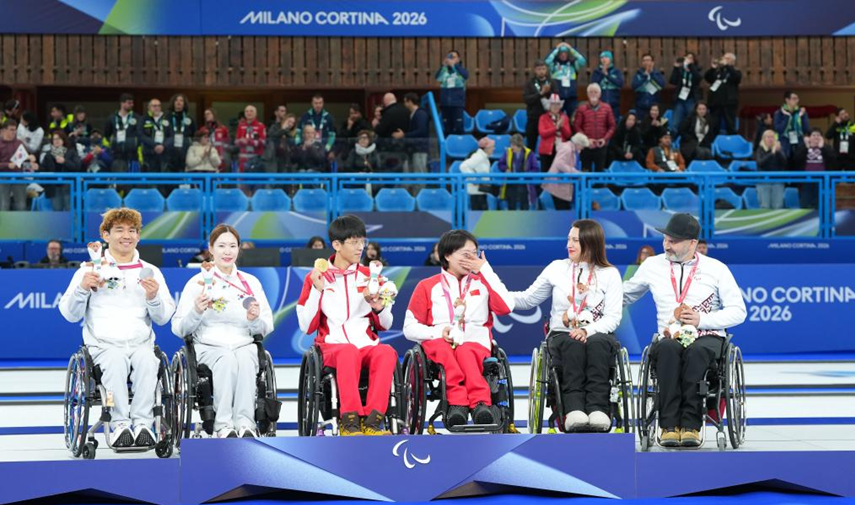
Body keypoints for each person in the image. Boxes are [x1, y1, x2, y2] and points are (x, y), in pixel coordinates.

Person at [623, 213, 746, 447]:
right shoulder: (652, 265)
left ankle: (691, 424)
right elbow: (625, 294)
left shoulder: (716, 269)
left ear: (692, 243)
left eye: (673, 241)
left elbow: (739, 311)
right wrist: (593, 297)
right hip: (670, 336)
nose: (666, 245)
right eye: (666, 239)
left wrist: (702, 319)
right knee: (668, 349)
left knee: (697, 353)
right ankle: (668, 426)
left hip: (707, 336)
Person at [59, 209, 175, 447]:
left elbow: (164, 318)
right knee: (115, 362)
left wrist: (153, 297)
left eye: (132, 230)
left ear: (139, 236)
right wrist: (82, 289)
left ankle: (143, 423)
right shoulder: (89, 270)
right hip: (104, 346)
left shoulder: (151, 271)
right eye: (120, 230)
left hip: (140, 343)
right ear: (105, 234)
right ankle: (119, 424)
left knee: (147, 362)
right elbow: (69, 314)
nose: (127, 236)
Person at [511, 220, 622, 431]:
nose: (568, 245)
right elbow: (527, 299)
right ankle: (573, 411)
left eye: (575, 240)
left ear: (591, 243)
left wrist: (587, 330)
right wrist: (492, 289)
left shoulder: (610, 274)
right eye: (569, 239)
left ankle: (598, 410)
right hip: (562, 334)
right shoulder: (556, 268)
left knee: (598, 344)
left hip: (597, 332)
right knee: (572, 344)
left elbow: (613, 317)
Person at [296, 215, 398, 436]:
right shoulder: (316, 277)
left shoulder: (370, 277)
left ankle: (373, 421)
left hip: (366, 344)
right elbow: (306, 325)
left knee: (387, 352)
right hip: (333, 347)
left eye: (362, 241)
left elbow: (386, 324)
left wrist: (379, 307)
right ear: (336, 245)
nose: (360, 247)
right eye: (354, 242)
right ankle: (349, 421)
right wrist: (317, 289)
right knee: (348, 352)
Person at [403, 229, 515, 427]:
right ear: (447, 255)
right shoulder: (426, 286)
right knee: (444, 349)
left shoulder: (483, 283)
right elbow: (409, 328)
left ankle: (480, 403)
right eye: (466, 254)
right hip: (439, 342)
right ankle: (457, 403)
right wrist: (438, 332)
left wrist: (485, 269)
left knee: (466, 350)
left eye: (475, 253)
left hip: (475, 342)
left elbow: (506, 307)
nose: (472, 259)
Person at [172, 224, 274, 438]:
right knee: (226, 359)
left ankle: (246, 423)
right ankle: (223, 424)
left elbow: (266, 326)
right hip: (209, 346)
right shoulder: (197, 283)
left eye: (232, 246)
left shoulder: (251, 283)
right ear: (211, 248)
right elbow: (179, 327)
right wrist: (196, 311)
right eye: (221, 246)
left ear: (238, 249)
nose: (227, 251)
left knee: (246, 359)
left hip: (244, 344)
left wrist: (254, 321)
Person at [573, 83, 615, 172]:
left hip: (601, 146)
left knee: (599, 172)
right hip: (586, 146)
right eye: (591, 92)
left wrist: (605, 139)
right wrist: (586, 140)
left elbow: (612, 126)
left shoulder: (607, 108)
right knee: (585, 172)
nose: (593, 94)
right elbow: (576, 126)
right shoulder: (581, 108)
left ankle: (599, 186)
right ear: (587, 94)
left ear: (600, 94)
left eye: (595, 92)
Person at [542, 133, 589, 210]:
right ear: (578, 143)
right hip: (557, 184)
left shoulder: (570, 148)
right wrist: (576, 172)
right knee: (563, 210)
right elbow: (559, 163)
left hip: (561, 184)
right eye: (582, 146)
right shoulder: (567, 149)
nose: (582, 149)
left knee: (564, 209)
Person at [793, 128, 836, 208]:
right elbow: (796, 159)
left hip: (822, 180)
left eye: (818, 135)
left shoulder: (827, 147)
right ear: (809, 137)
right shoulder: (803, 147)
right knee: (805, 204)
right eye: (814, 135)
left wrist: (822, 148)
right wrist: (806, 147)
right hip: (806, 180)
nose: (816, 137)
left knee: (820, 205)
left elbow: (833, 160)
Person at [0, 120, 38, 211]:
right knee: (3, 205)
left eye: (15, 130)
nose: (14, 132)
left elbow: (24, 160)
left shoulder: (19, 143)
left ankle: (20, 225)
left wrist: (31, 162)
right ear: (4, 130)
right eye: (11, 130)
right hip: (2, 177)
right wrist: (7, 165)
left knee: (21, 205)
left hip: (19, 176)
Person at [40, 130, 81, 211]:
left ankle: (73, 224)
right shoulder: (48, 155)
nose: (56, 141)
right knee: (57, 211)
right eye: (54, 139)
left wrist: (65, 161)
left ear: (63, 140)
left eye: (58, 139)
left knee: (70, 210)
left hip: (68, 186)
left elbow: (77, 166)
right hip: (54, 187)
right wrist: (36, 167)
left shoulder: (71, 152)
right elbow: (43, 169)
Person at [522, 60, 559, 150]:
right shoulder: (529, 83)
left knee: (549, 145)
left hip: (548, 118)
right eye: (539, 69)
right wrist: (540, 93)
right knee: (530, 144)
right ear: (535, 70)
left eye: (543, 69)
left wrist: (547, 92)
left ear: (546, 70)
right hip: (533, 118)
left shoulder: (551, 82)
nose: (541, 71)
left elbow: (556, 98)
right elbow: (526, 99)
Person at [545, 42, 587, 120]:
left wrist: (571, 49)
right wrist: (556, 49)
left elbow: (582, 60)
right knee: (556, 118)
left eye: (565, 53)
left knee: (573, 118)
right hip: (558, 98)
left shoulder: (573, 65)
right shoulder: (554, 65)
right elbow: (547, 61)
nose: (563, 55)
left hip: (571, 97)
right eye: (561, 53)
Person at [497, 133, 538, 210]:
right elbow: (500, 164)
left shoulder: (530, 153)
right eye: (511, 144)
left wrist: (527, 174)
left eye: (513, 145)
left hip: (525, 184)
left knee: (524, 206)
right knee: (511, 206)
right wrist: (505, 169)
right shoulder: (507, 152)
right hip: (511, 183)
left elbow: (535, 168)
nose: (511, 147)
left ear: (520, 145)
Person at [704, 53, 742, 135]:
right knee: (714, 125)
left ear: (733, 61)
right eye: (724, 58)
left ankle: (731, 143)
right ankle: (713, 143)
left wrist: (728, 66)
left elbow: (736, 78)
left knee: (730, 125)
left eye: (727, 58)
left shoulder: (736, 71)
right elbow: (707, 78)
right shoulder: (718, 72)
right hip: (715, 103)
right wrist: (712, 68)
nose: (724, 60)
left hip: (729, 103)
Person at [396, 92, 430, 177]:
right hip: (414, 149)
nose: (404, 104)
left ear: (410, 101)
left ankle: (420, 190)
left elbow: (422, 131)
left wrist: (404, 135)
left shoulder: (420, 113)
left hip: (420, 148)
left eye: (405, 102)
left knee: (419, 174)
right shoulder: (413, 114)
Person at [104, 94, 140, 172]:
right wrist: (112, 143)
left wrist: (133, 144)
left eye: (132, 103)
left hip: (132, 155)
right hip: (116, 155)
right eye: (129, 103)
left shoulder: (137, 118)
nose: (132, 105)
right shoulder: (112, 118)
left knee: (133, 180)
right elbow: (106, 135)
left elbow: (140, 135)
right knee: (119, 181)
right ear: (122, 103)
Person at [436, 50, 469, 135]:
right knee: (447, 128)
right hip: (445, 103)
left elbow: (465, 76)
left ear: (458, 59)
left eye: (453, 57)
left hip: (457, 103)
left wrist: (454, 66)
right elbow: (437, 78)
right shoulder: (445, 71)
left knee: (458, 127)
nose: (451, 59)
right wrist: (443, 66)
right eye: (449, 56)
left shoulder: (461, 70)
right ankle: (447, 147)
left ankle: (459, 146)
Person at [669, 53, 703, 135]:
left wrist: (691, 66)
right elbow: (672, 81)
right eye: (687, 58)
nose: (688, 59)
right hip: (680, 99)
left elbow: (698, 79)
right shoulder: (681, 70)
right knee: (675, 123)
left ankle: (690, 139)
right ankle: (673, 140)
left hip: (691, 99)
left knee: (691, 121)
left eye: (691, 58)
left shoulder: (697, 69)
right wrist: (676, 68)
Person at [538, 94, 572, 173]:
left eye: (557, 104)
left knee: (560, 175)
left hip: (561, 151)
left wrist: (562, 126)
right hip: (546, 151)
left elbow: (568, 135)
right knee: (546, 175)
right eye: (553, 104)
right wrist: (556, 128)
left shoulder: (564, 117)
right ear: (549, 105)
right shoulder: (543, 118)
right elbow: (542, 133)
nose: (555, 106)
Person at [459, 137, 495, 211]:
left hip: (481, 191)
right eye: (492, 147)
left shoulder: (484, 157)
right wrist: (474, 179)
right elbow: (463, 166)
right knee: (478, 216)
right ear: (486, 148)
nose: (493, 149)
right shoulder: (478, 157)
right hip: (477, 192)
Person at [773, 90, 810, 162]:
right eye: (794, 98)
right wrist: (787, 117)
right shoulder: (779, 113)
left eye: (797, 99)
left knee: (799, 165)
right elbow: (778, 129)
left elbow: (806, 129)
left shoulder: (801, 113)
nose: (796, 101)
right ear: (787, 100)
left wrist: (802, 117)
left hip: (799, 142)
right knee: (785, 165)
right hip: (784, 143)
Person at [755, 130, 787, 209]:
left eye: (772, 137)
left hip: (777, 181)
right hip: (763, 181)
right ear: (764, 139)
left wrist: (778, 152)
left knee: (778, 206)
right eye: (768, 137)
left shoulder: (779, 150)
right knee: (765, 206)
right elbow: (760, 163)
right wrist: (772, 154)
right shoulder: (760, 149)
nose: (770, 139)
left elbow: (785, 163)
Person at [296, 94, 336, 159]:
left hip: (323, 149)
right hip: (307, 149)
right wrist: (299, 145)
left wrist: (329, 149)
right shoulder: (305, 115)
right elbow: (298, 132)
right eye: (316, 103)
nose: (318, 105)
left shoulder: (329, 117)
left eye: (320, 103)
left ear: (323, 103)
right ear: (312, 103)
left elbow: (332, 135)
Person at [139, 98, 172, 172]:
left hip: (164, 154)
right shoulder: (143, 119)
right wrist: (154, 145)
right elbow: (141, 135)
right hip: (149, 154)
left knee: (164, 179)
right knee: (151, 180)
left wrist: (163, 146)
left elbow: (171, 135)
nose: (157, 108)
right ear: (149, 107)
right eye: (154, 106)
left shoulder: (167, 118)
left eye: (158, 106)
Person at [590, 50, 624, 122]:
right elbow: (594, 84)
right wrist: (602, 73)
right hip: (600, 103)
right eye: (602, 57)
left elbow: (620, 83)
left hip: (614, 103)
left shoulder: (616, 71)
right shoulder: (597, 71)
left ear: (610, 59)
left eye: (606, 57)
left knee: (614, 122)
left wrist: (607, 75)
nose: (604, 59)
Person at [166, 93, 195, 171]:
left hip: (185, 150)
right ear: (173, 102)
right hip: (170, 150)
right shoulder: (166, 117)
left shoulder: (189, 118)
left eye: (181, 100)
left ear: (184, 103)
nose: (178, 102)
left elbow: (193, 133)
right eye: (176, 100)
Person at [632, 54, 665, 121]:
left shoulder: (657, 74)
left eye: (648, 60)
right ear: (642, 63)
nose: (646, 62)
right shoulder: (638, 74)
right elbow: (634, 86)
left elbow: (662, 84)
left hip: (654, 107)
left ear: (653, 62)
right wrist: (644, 75)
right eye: (644, 60)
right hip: (641, 106)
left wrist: (652, 73)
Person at [235, 105, 267, 172]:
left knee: (255, 181)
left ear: (256, 113)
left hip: (256, 159)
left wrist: (249, 141)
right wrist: (241, 141)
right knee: (242, 180)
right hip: (243, 160)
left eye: (251, 111)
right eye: (246, 111)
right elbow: (236, 141)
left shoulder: (260, 126)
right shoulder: (241, 126)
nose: (249, 113)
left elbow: (264, 142)